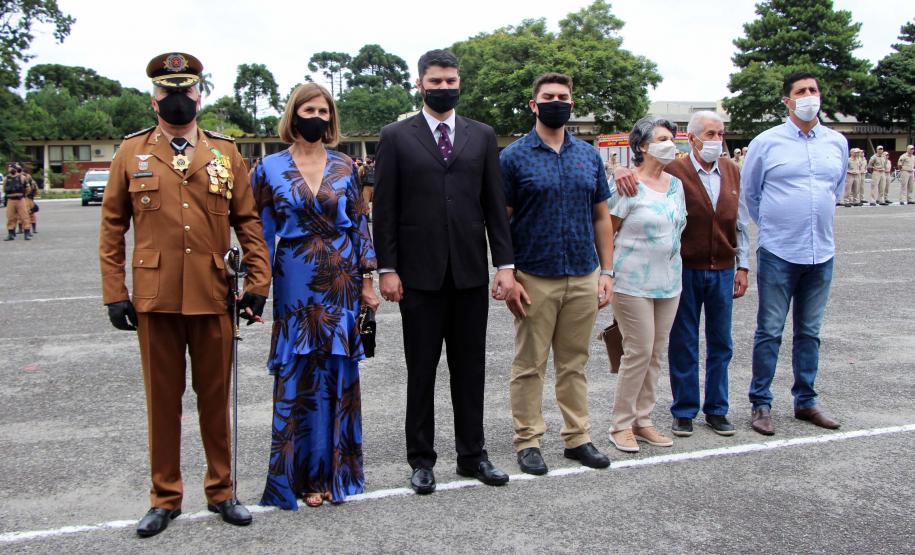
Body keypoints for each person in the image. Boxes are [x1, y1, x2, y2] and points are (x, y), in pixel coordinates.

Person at [98, 52, 272, 537]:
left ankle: (221, 490)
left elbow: (248, 222)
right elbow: (113, 225)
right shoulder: (130, 153)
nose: (177, 99)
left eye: (186, 90)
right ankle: (165, 496)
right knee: (163, 401)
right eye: (167, 91)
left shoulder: (224, 153)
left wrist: (258, 283)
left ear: (199, 94)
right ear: (154, 98)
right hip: (154, 299)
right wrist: (116, 291)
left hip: (214, 294)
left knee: (215, 400)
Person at [373, 49, 516, 494]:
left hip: (471, 274)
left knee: (470, 370)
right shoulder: (396, 137)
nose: (444, 88)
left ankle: (473, 455)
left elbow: (495, 206)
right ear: (420, 84)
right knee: (422, 370)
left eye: (450, 81)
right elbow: (386, 209)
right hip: (419, 276)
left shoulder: (482, 135)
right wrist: (387, 268)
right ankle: (421, 458)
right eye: (435, 82)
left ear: (459, 83)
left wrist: (505, 265)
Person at [252, 83, 379, 510]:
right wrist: (255, 288)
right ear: (293, 113)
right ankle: (299, 477)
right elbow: (259, 234)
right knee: (298, 375)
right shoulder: (268, 168)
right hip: (294, 279)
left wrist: (367, 282)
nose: (317, 116)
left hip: (340, 278)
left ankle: (335, 475)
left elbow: (360, 225)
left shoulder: (346, 165)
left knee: (336, 373)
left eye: (324, 110)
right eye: (309, 109)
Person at [500, 72, 613, 475]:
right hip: (535, 276)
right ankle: (528, 440)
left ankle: (577, 437)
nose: (556, 102)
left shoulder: (587, 156)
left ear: (572, 103)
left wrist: (607, 272)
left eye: (563, 96)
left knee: (574, 363)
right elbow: (501, 222)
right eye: (548, 96)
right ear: (534, 104)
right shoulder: (512, 157)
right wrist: (507, 273)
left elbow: (601, 216)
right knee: (530, 364)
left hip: (583, 273)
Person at [742, 71, 846, 436]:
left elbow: (835, 190)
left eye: (813, 90)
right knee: (769, 331)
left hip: (821, 252)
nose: (808, 96)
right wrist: (774, 226)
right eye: (800, 91)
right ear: (787, 100)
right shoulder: (766, 143)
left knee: (810, 332)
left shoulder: (836, 143)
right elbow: (751, 195)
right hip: (779, 251)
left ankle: (806, 401)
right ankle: (761, 402)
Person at [607, 116, 686, 453]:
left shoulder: (675, 185)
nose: (670, 143)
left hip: (669, 282)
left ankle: (644, 420)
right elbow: (607, 231)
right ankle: (620, 424)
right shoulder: (627, 185)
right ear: (642, 146)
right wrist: (605, 274)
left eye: (672, 137)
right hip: (631, 282)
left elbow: (679, 226)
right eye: (662, 138)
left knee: (655, 353)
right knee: (638, 352)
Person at [3, 163, 33, 241]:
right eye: (9, 168)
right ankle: (11, 233)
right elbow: (4, 189)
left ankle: (27, 233)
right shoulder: (7, 178)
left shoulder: (22, 178)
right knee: (10, 217)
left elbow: (28, 188)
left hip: (20, 200)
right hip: (10, 200)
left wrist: (23, 195)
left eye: (11, 168)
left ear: (15, 169)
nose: (9, 170)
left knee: (24, 216)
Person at [359, 156, 376, 220]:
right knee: (367, 203)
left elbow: (358, 176)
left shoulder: (362, 167)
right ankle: (370, 216)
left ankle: (368, 217)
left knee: (366, 202)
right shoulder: (375, 167)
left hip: (368, 187)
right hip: (371, 186)